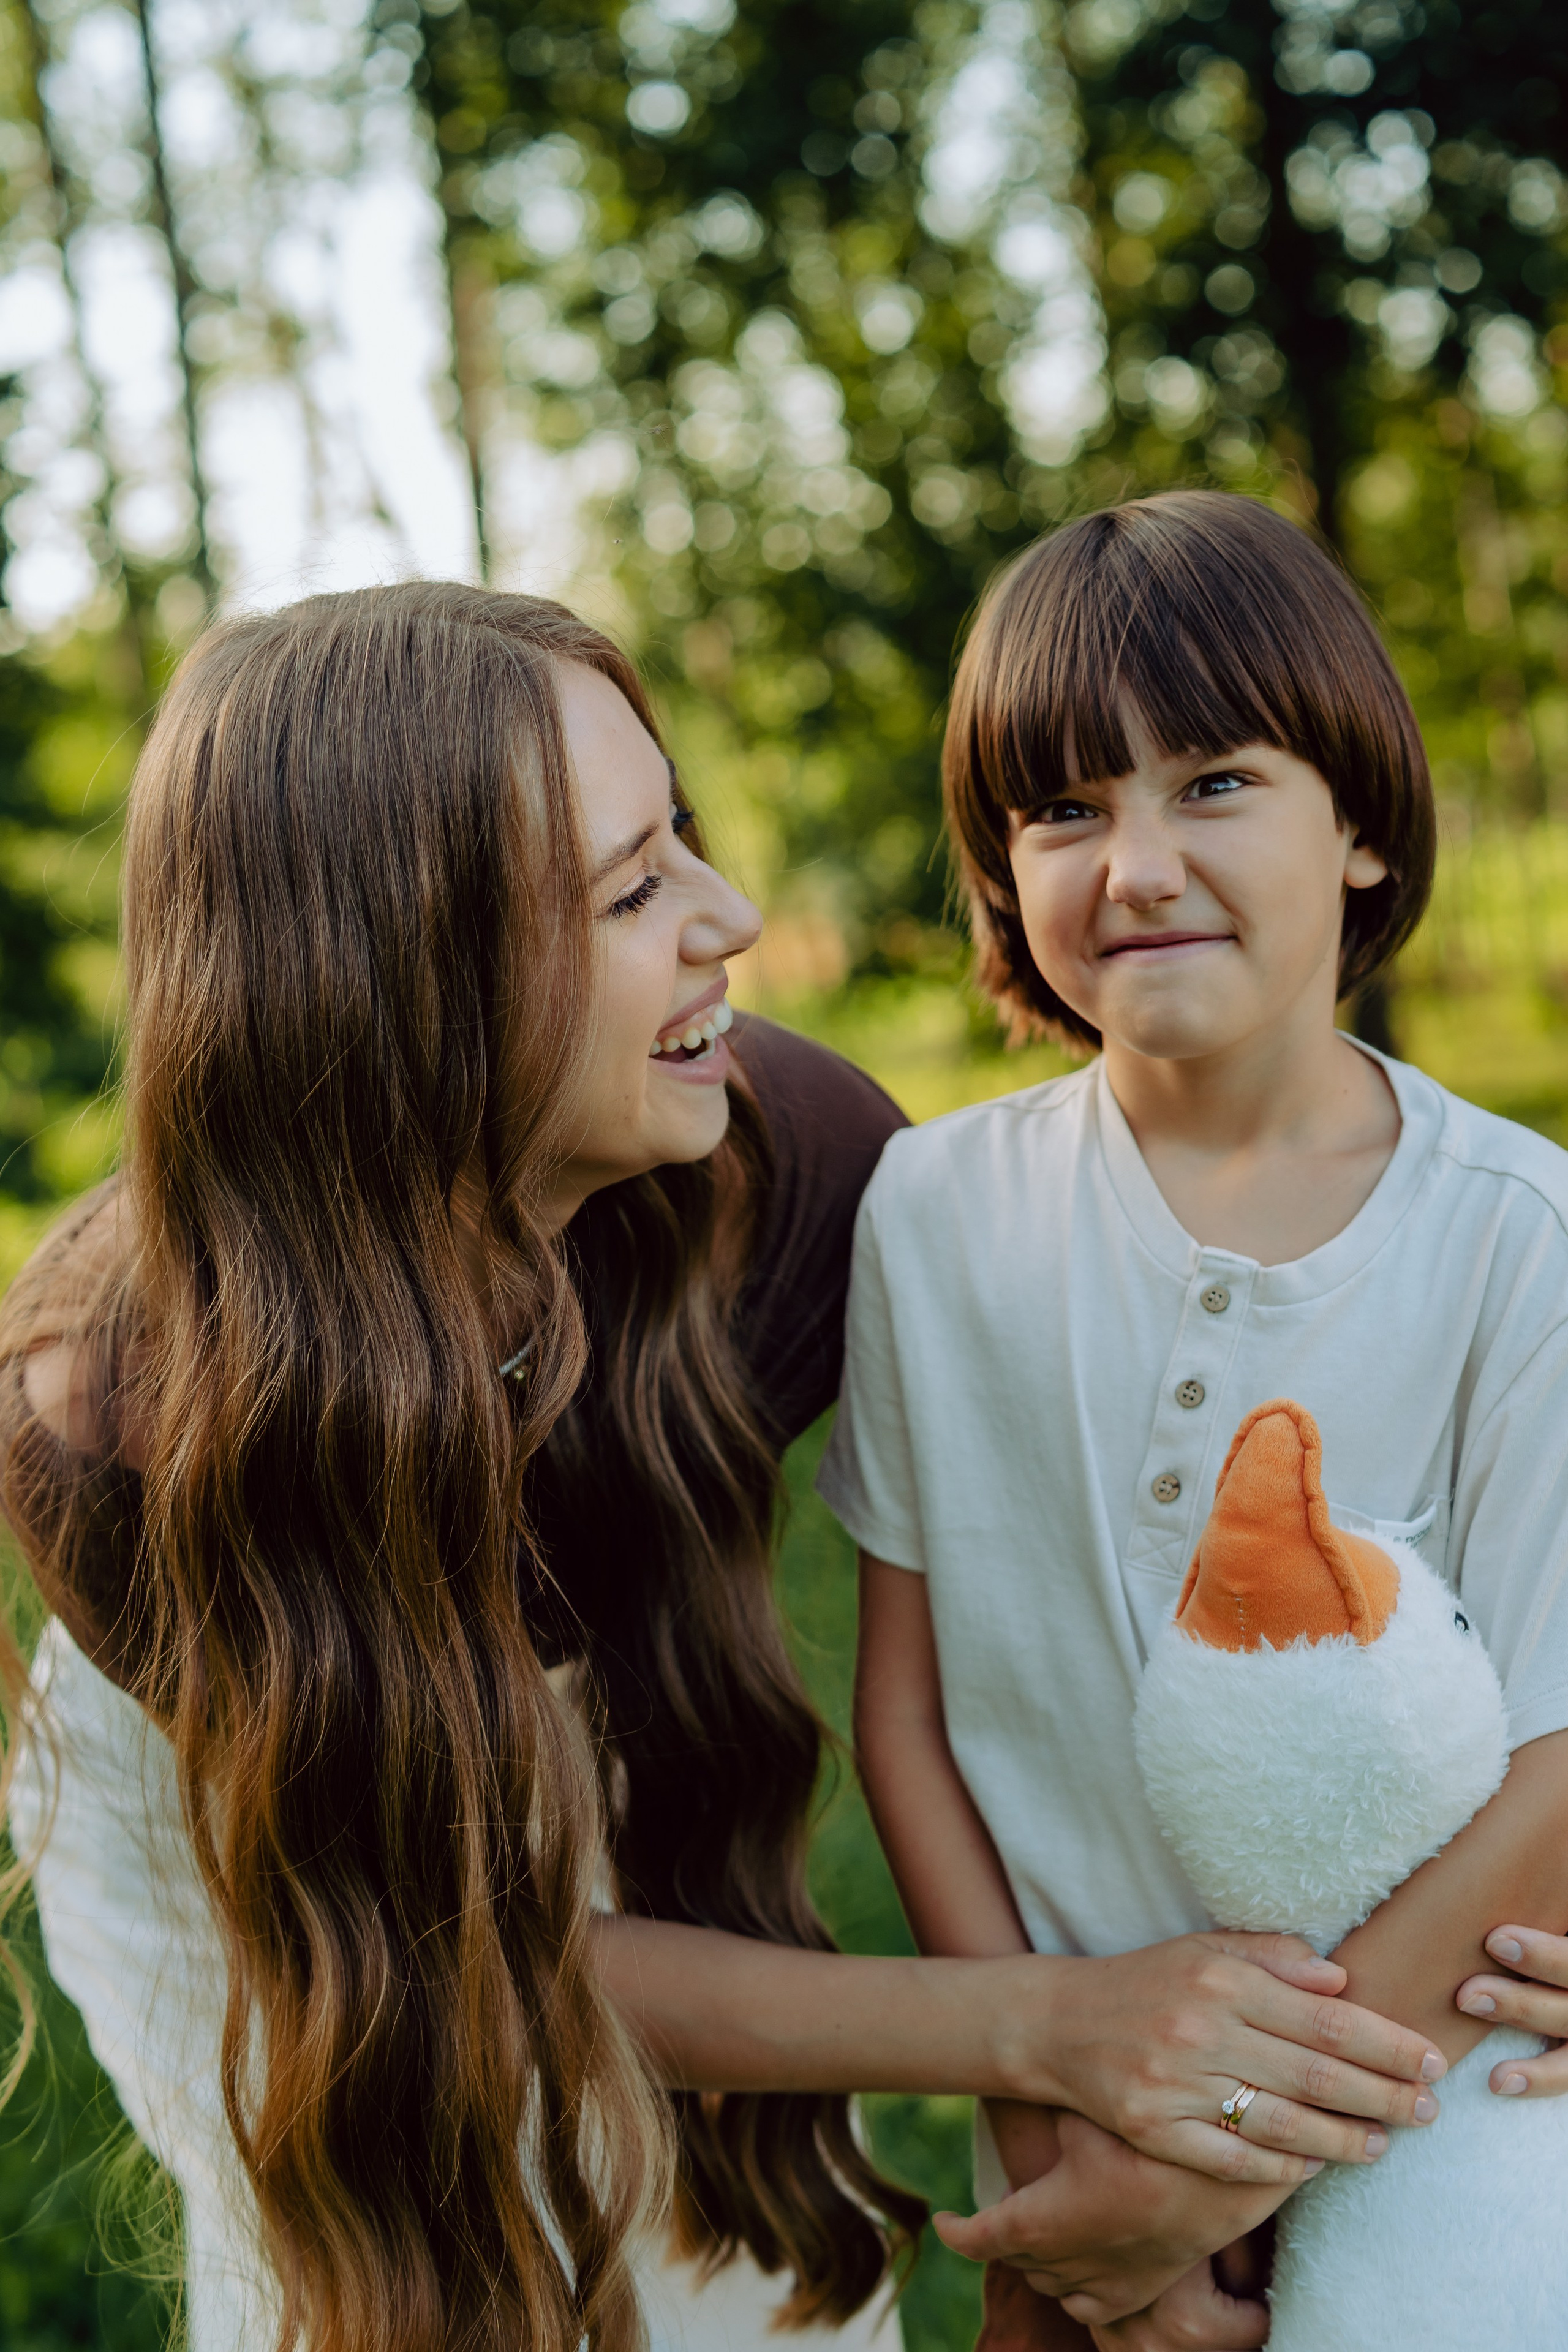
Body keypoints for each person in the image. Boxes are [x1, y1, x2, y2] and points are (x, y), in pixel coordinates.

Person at [0, 578, 1511, 2352]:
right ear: (402, 979)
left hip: (576, 1727)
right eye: (634, 892)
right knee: (394, 2274)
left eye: (684, 841)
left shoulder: (779, 1162)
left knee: (744, 2294)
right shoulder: (122, 1424)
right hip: (288, 1812)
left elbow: (1106, 1552)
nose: (735, 919)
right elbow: (480, 1972)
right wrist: (1053, 2034)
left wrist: (1438, 1972)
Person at [825, 491, 1568, 2350]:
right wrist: (1057, 2154)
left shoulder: (1517, 1240)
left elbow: (1554, 1762)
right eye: (1064, 809)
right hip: (1077, 2153)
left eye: (1213, 783)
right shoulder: (931, 1212)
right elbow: (909, 1712)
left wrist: (1228, 2164)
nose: (1135, 864)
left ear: (1366, 830)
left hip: (1428, 2138)